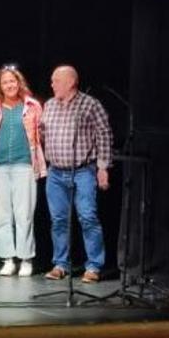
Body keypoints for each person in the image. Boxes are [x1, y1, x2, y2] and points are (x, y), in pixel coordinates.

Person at [40, 65, 112, 283]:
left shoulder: (90, 105)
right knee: (58, 220)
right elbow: (43, 133)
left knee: (88, 217)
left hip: (83, 170)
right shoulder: (50, 105)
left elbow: (104, 135)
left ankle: (94, 266)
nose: (52, 84)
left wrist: (103, 167)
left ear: (70, 82)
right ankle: (60, 264)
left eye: (56, 81)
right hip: (55, 173)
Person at [0, 65, 47, 277]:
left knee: (24, 214)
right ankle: (8, 259)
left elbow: (42, 135)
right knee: (2, 216)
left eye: (12, 81)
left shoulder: (32, 106)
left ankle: (26, 259)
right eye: (5, 82)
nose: (9, 85)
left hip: (24, 165)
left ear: (19, 83)